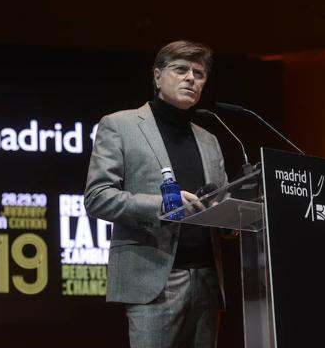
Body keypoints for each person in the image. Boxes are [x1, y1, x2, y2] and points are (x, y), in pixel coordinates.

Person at [84, 40, 229, 348]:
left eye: (199, 73)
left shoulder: (210, 140)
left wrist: (229, 215)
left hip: (206, 281)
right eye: (181, 69)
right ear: (157, 76)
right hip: (155, 280)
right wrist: (164, 205)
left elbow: (220, 202)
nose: (191, 78)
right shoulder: (120, 125)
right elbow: (97, 197)